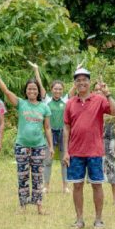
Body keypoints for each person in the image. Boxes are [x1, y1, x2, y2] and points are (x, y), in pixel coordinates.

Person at [0, 67, 52, 214]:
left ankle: (39, 207)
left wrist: (50, 146)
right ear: (26, 91)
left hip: (39, 146)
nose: (32, 91)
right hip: (22, 146)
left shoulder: (44, 107)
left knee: (38, 177)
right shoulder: (21, 103)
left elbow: (48, 128)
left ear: (38, 91)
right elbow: (6, 91)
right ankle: (23, 206)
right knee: (22, 176)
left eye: (34, 89)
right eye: (29, 89)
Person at [63, 67, 115, 229]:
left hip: (95, 151)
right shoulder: (70, 103)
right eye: (78, 80)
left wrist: (108, 94)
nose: (81, 83)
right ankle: (79, 219)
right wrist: (65, 151)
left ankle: (98, 219)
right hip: (75, 151)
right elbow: (66, 127)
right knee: (77, 185)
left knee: (97, 185)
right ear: (75, 83)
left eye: (84, 79)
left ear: (89, 81)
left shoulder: (99, 100)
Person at [35, 63, 68, 194]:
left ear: (63, 90)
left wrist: (78, 69)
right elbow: (39, 84)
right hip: (50, 133)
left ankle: (65, 186)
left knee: (64, 161)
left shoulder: (66, 100)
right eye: (55, 89)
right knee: (47, 160)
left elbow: (76, 87)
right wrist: (36, 70)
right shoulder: (46, 99)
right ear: (51, 89)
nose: (58, 91)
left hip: (63, 133)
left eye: (60, 89)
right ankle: (46, 186)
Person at [97, 81, 115, 205]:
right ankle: (100, 197)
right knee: (97, 169)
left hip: (109, 139)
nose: (98, 91)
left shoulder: (110, 102)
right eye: (96, 89)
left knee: (112, 167)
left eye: (101, 89)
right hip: (96, 141)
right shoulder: (92, 102)